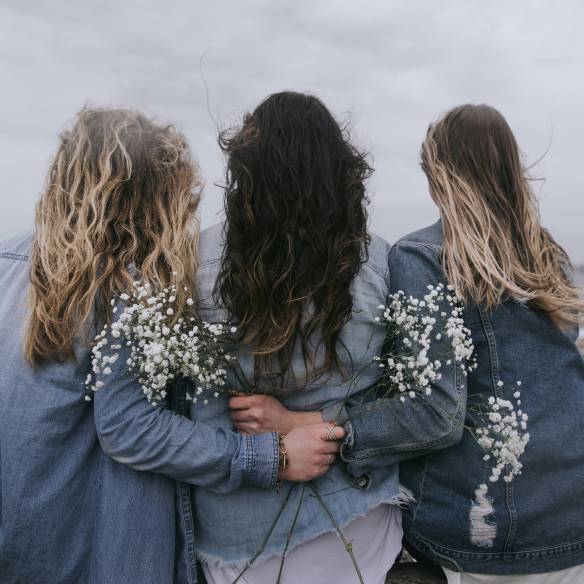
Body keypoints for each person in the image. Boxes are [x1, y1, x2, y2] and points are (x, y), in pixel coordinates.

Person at [245, 104, 584, 583]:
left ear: (436, 176)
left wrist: (315, 423)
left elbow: (434, 413)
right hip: (571, 513)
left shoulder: (423, 257)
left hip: (481, 527)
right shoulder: (551, 256)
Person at [0, 107, 338, 584]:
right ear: (150, 198)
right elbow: (129, 426)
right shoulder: (126, 286)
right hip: (101, 556)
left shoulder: (10, 261)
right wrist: (274, 457)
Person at [190, 91, 404, 584]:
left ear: (245, 169)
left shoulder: (193, 258)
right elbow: (401, 393)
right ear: (341, 170)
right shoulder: (379, 259)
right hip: (353, 514)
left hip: (236, 531)